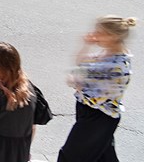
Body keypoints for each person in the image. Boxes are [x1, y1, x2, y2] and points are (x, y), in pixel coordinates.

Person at [57, 15, 135, 161]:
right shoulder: (108, 53)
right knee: (103, 156)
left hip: (98, 117)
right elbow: (81, 64)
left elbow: (94, 98)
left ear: (113, 36)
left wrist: (77, 82)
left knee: (69, 157)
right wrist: (86, 45)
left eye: (100, 33)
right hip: (90, 113)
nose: (95, 35)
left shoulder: (118, 66)